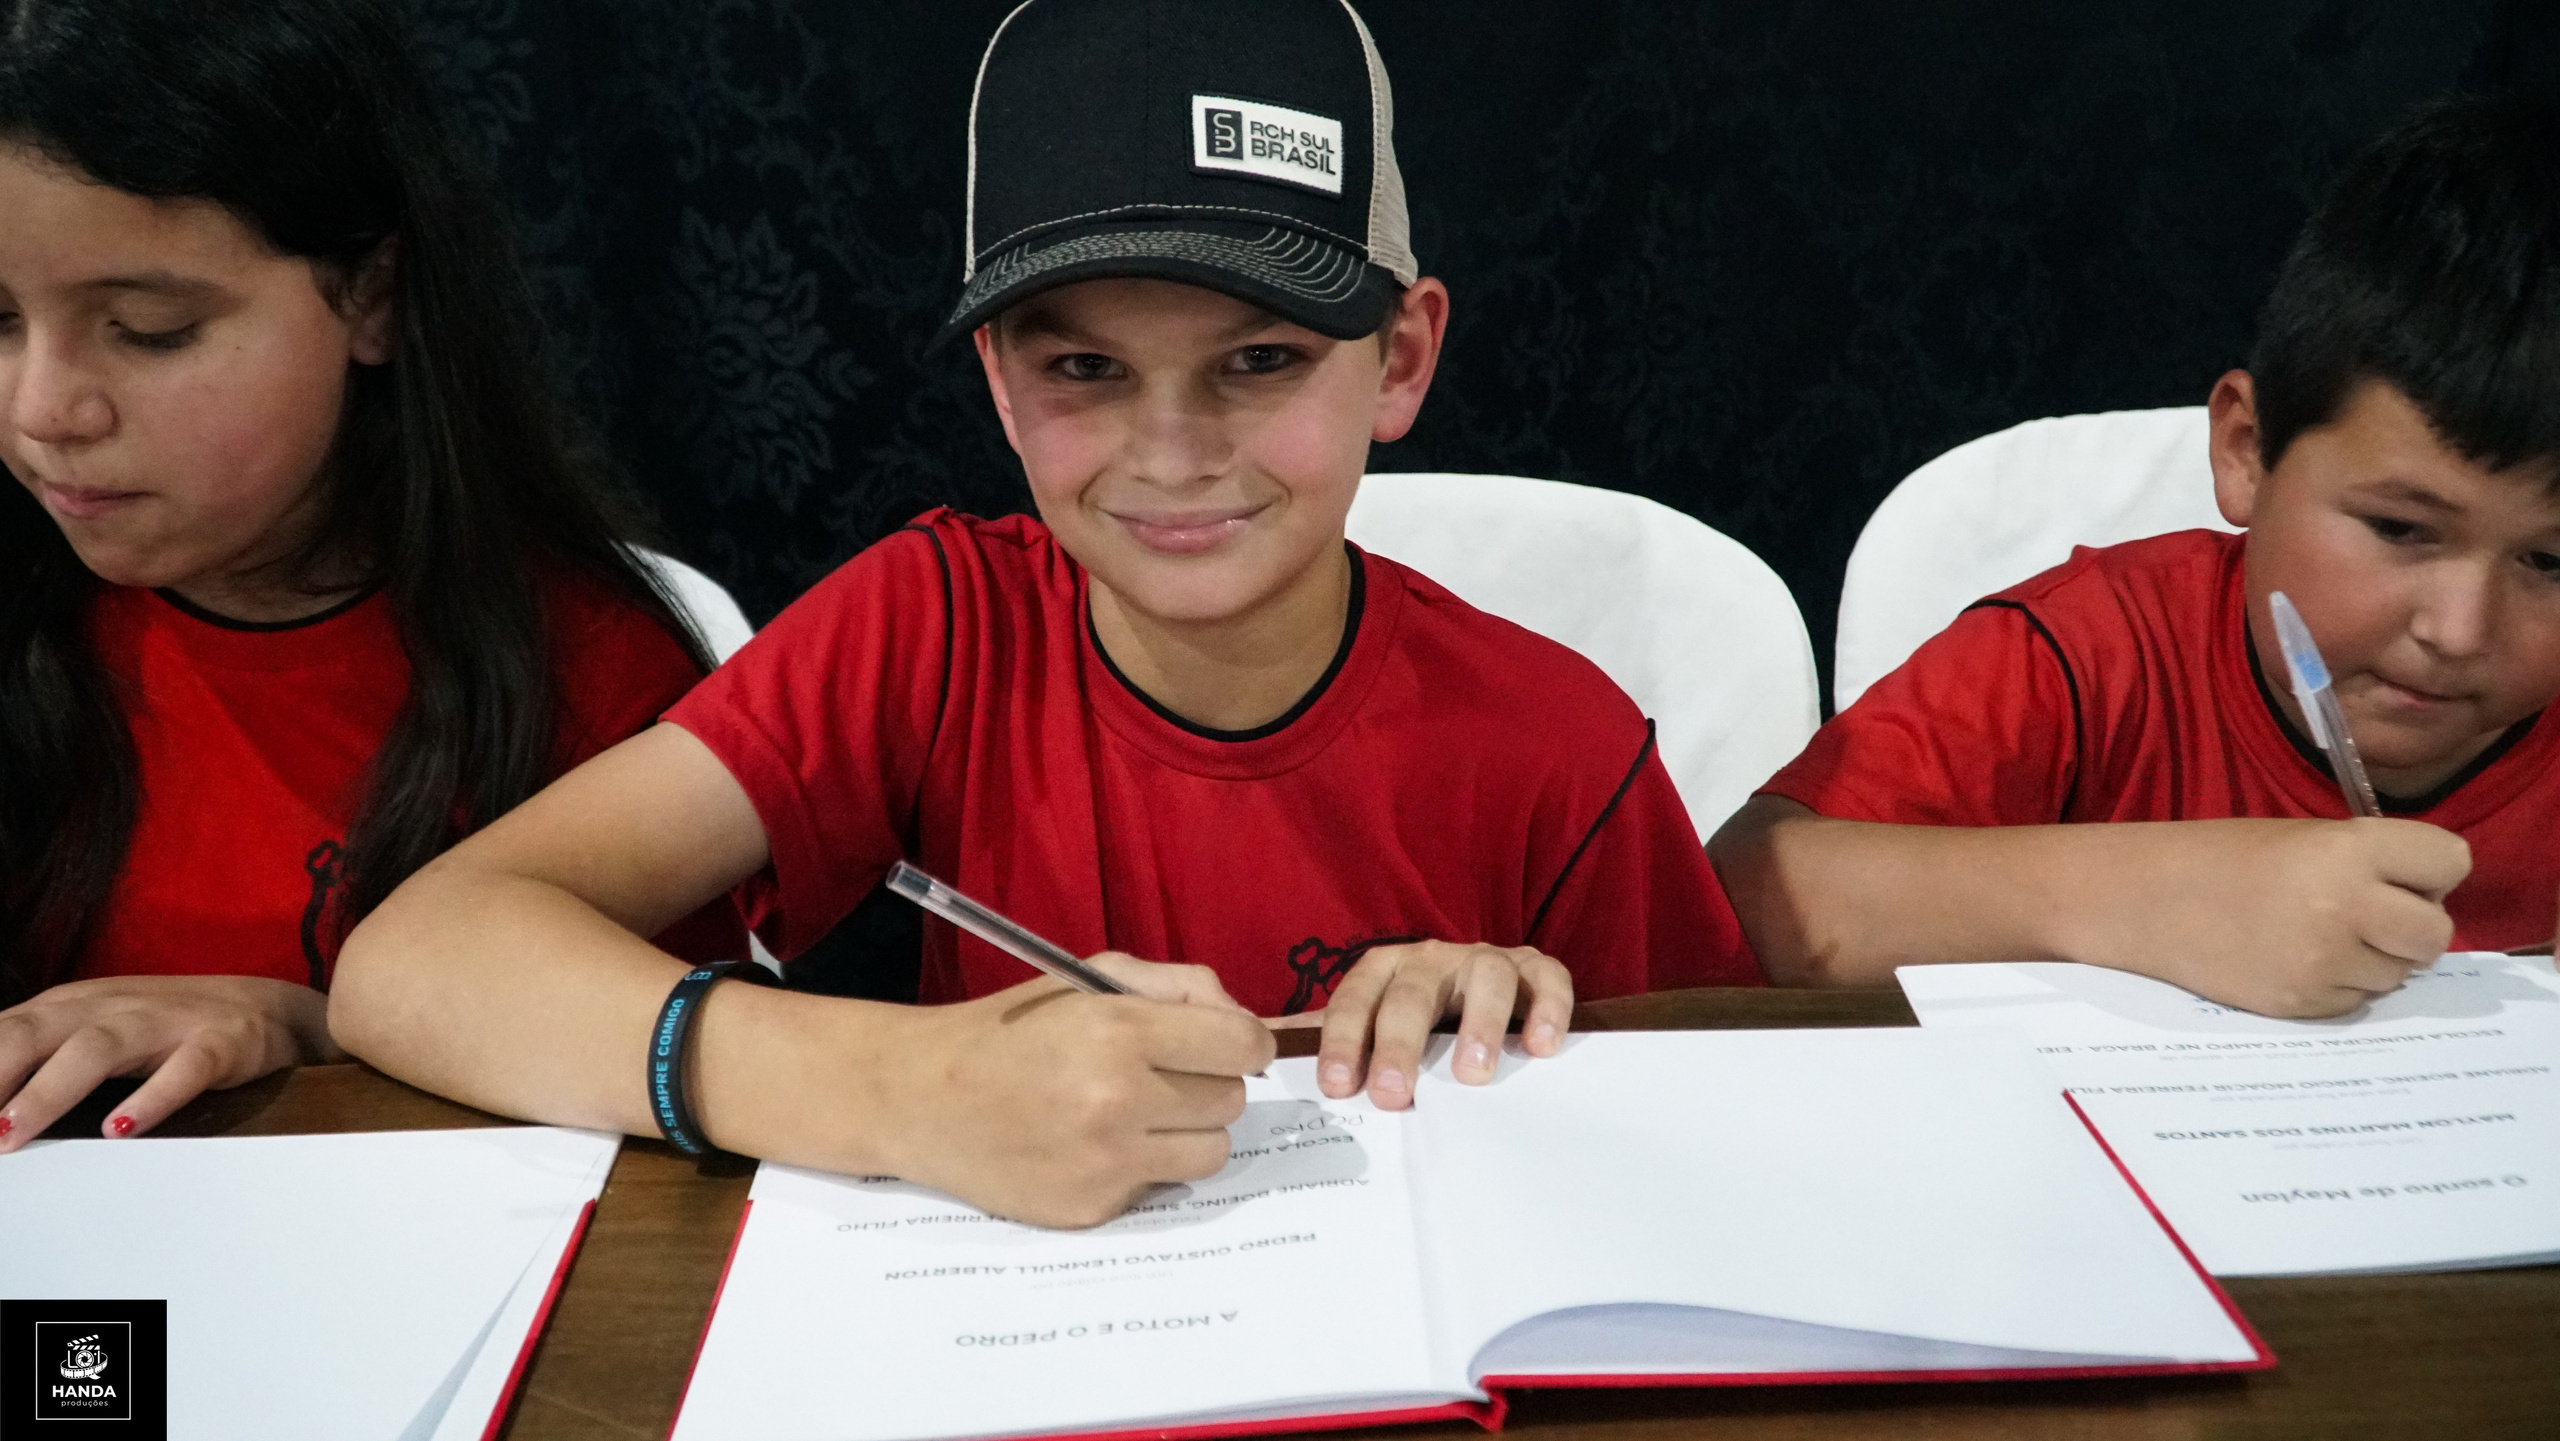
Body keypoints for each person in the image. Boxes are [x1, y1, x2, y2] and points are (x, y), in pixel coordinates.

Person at [332, 0, 1759, 1229]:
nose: (1172, 448)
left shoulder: (1556, 743)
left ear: (1400, 358)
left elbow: (1722, 1134)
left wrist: (1524, 1022)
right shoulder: (933, 625)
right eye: (1085, 367)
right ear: (1004, 387)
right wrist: (911, 1090)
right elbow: (416, 959)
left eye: (1259, 359)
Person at [0, 0, 736, 1150]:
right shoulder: (37, 626)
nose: (46, 410)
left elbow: (674, 1082)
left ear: (373, 297)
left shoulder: (588, 676)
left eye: (148, 329)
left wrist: (311, 1029)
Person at [1711, 97, 2560, 1019]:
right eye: (2400, 529)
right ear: (2245, 450)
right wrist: (2150, 893)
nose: (2458, 629)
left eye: (2551, 562)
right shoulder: (2090, 656)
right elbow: (1748, 897)